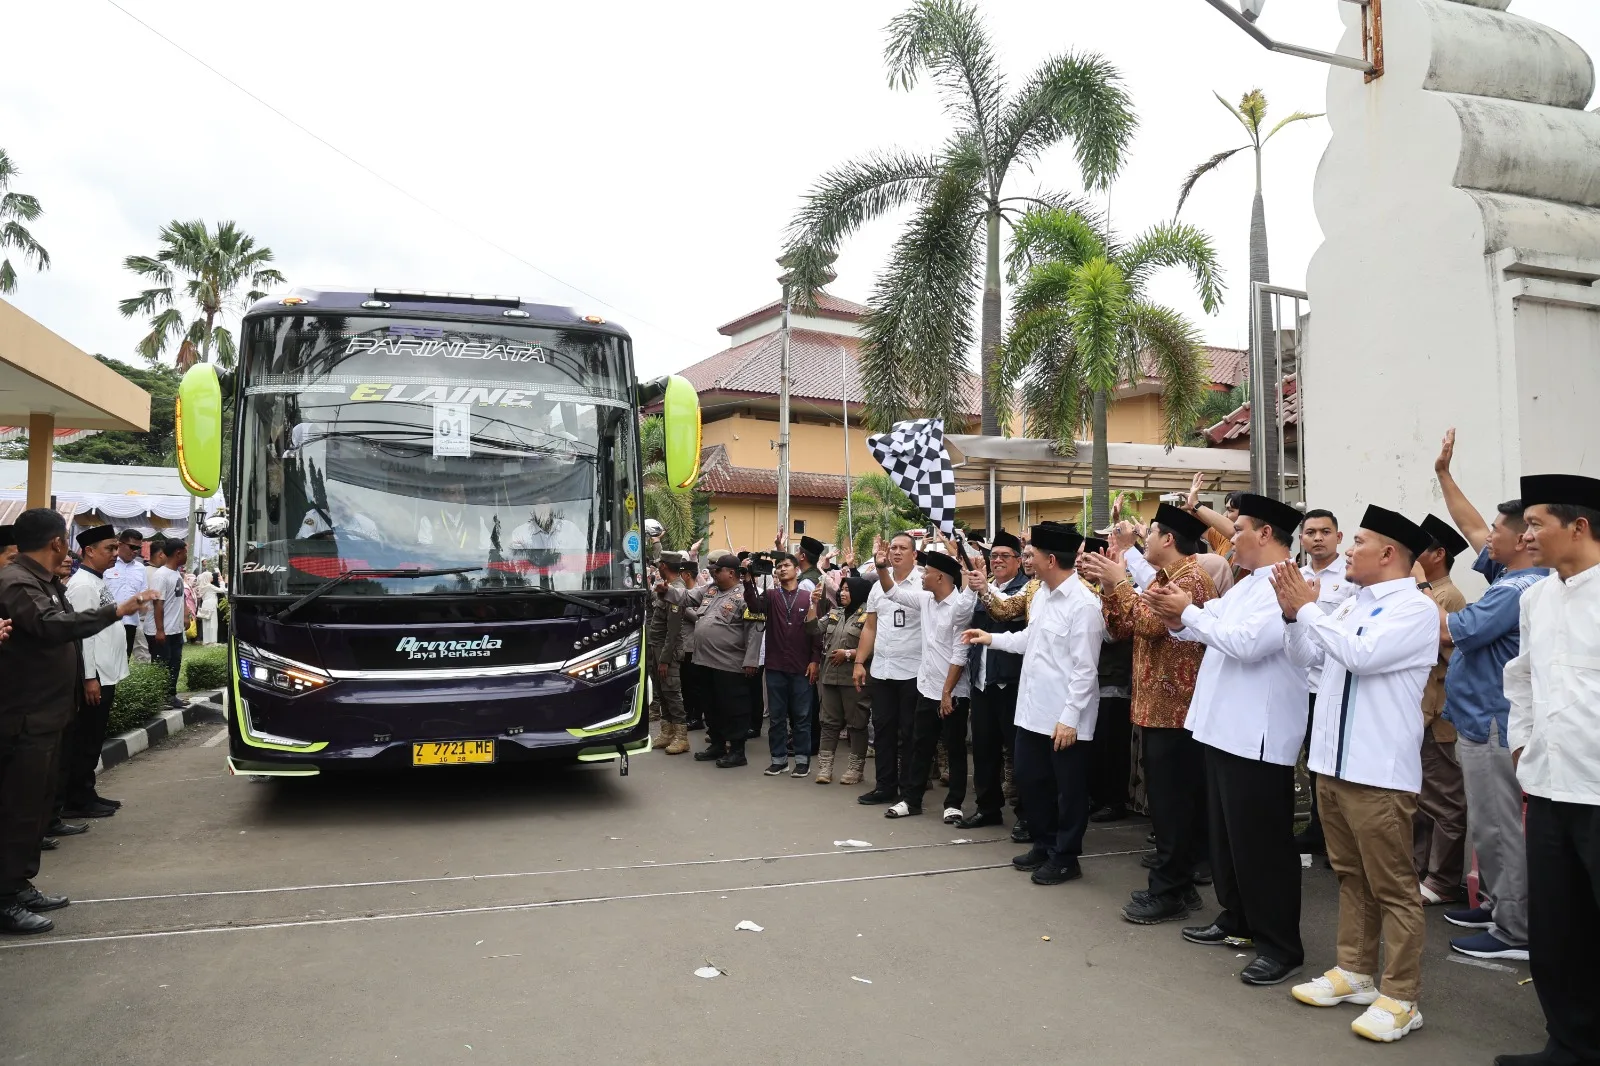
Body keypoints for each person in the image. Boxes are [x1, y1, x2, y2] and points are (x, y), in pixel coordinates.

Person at [1278, 506, 1439, 1043]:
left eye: (1360, 541)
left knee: (1393, 887)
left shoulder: (1414, 609)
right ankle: (1354, 972)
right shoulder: (1351, 603)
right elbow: (1310, 659)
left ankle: (1402, 996)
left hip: (1377, 772)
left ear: (1388, 553)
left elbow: (1362, 656)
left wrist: (1308, 611)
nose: (1348, 549)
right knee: (1350, 876)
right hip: (1332, 764)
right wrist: (1292, 617)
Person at [1144, 493, 1310, 987]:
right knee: (1228, 840)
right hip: (1222, 728)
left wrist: (1190, 614)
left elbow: (1247, 643)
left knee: (1262, 847)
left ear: (1266, 533)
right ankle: (1238, 919)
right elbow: (1210, 626)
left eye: (1238, 529)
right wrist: (1178, 617)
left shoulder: (1290, 585)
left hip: (1256, 734)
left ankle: (1279, 945)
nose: (1230, 537)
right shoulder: (1247, 584)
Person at [0, 508, 148, 935]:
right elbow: (53, 628)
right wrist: (114, 611)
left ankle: (19, 884)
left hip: (47, 714)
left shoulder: (42, 581)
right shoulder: (17, 582)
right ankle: (5, 897)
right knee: (18, 810)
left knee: (35, 807)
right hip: (26, 717)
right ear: (56, 542)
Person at [1497, 473, 1600, 1066]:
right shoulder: (1536, 598)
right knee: (1558, 931)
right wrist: (1521, 746)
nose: (1526, 535)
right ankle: (1570, 1045)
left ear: (1578, 526)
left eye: (1536, 524)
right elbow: (1522, 680)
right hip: (1548, 787)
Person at [1434, 428, 1546, 961]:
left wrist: (1408, 581)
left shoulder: (1517, 589)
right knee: (1488, 822)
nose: (1487, 536)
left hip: (1494, 723)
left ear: (1521, 539)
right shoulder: (1508, 573)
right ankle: (1500, 904)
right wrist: (1444, 475)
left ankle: (1514, 930)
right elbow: (1471, 524)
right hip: (1480, 720)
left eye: (1500, 529)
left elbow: (1448, 631)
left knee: (1499, 825)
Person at [1081, 503, 1217, 925]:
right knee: (1170, 802)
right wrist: (1111, 588)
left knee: (1173, 804)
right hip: (1158, 707)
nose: (1146, 539)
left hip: (1178, 710)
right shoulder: (1164, 577)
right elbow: (1122, 627)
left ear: (1169, 539)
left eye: (1152, 532)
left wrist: (1120, 581)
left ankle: (1169, 890)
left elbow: (1152, 624)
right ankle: (1180, 883)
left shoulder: (1191, 578)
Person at [960, 522, 1102, 885]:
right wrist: (991, 638)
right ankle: (1044, 843)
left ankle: (1066, 857)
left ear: (1050, 559)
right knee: (1031, 780)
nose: (1027, 559)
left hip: (1064, 718)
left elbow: (1085, 670)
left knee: (1067, 791)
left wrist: (1069, 718)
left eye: (1032, 554)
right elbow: (1029, 639)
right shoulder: (1040, 594)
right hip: (1032, 711)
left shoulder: (1084, 604)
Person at [870, 544, 975, 821]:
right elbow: (893, 593)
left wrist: (947, 693)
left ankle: (953, 804)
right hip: (927, 688)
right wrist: (881, 568)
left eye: (926, 572)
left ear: (940, 577)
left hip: (953, 693)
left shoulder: (960, 608)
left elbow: (959, 655)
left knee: (954, 749)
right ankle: (911, 800)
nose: (922, 575)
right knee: (920, 746)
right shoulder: (926, 599)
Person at [1290, 508, 1358, 855]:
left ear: (1338, 537)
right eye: (1311, 532)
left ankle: (1337, 837)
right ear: (1301, 539)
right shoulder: (1295, 576)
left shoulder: (1350, 578)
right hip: (1297, 683)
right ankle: (1317, 829)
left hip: (1329, 685)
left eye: (1325, 532)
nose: (1318, 538)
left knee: (1331, 762)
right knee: (1308, 759)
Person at [1413, 514, 1470, 905]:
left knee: (1444, 801)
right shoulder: (1427, 592)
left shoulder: (1445, 597)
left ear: (1438, 554)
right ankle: (1421, 870)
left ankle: (1443, 879)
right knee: (1420, 800)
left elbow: (1443, 650)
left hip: (1436, 715)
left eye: (1421, 547)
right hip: (1419, 713)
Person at [957, 530, 1029, 829]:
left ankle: (1027, 815)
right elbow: (962, 620)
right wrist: (974, 588)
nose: (998, 560)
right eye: (994, 556)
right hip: (982, 680)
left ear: (1018, 561)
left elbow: (1007, 614)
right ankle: (988, 808)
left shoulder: (1027, 590)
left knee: (1019, 753)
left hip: (1011, 682)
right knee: (984, 750)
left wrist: (985, 589)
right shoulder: (980, 586)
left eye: (1005, 556)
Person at [57, 525, 130, 821]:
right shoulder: (83, 586)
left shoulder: (96, 580)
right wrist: (89, 678)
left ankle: (87, 792)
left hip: (105, 672)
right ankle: (77, 799)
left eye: (116, 548)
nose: (115, 554)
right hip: (95, 675)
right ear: (89, 551)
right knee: (86, 739)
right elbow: (82, 635)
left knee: (93, 737)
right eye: (109, 548)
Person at [853, 532, 923, 806]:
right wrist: (859, 662)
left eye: (903, 548)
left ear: (914, 554)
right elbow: (870, 627)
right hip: (882, 669)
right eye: (893, 547)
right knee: (882, 729)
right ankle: (885, 786)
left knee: (910, 732)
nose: (896, 552)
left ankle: (909, 791)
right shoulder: (876, 588)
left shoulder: (924, 583)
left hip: (913, 670)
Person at [678, 553, 759, 768]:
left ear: (731, 573)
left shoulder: (746, 596)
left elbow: (754, 630)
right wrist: (665, 591)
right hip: (704, 660)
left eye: (717, 570)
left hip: (729, 663)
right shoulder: (711, 589)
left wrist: (751, 660)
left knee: (733, 707)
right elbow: (685, 597)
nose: (713, 573)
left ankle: (737, 751)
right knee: (711, 705)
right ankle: (717, 744)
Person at [744, 551, 819, 777]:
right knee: (776, 718)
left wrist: (815, 660)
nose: (782, 569)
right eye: (779, 567)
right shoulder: (770, 595)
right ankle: (778, 760)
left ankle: (802, 761)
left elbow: (816, 632)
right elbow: (754, 607)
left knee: (802, 717)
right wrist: (748, 580)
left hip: (801, 666)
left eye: (786, 565)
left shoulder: (808, 597)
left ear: (796, 569)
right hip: (775, 665)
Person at [805, 575, 873, 785]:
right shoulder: (835, 612)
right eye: (842, 589)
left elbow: (875, 647)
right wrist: (813, 604)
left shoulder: (870, 616)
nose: (842, 593)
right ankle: (825, 768)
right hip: (830, 677)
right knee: (828, 723)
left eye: (847, 590)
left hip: (854, 678)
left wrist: (849, 654)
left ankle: (855, 769)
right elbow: (812, 629)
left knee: (857, 724)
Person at [648, 553, 690, 754]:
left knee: (672, 693)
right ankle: (667, 732)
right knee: (662, 691)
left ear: (664, 566)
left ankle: (681, 737)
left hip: (667, 651)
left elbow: (673, 631)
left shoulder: (677, 591)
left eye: (659, 566)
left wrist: (664, 659)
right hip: (657, 648)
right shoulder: (668, 587)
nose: (657, 568)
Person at [144, 539, 189, 708]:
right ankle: (159, 699)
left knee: (174, 664)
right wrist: (160, 630)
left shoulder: (176, 573)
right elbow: (158, 604)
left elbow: (180, 597)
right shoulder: (161, 575)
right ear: (178, 553)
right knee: (161, 666)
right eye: (185, 552)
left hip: (175, 629)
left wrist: (185, 616)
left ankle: (170, 696)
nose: (186, 556)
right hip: (161, 631)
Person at [106, 529, 146, 658]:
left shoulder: (140, 568)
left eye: (138, 548)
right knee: (106, 659)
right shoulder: (108, 563)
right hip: (108, 621)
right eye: (132, 547)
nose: (135, 551)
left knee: (124, 660)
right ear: (120, 544)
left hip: (130, 622)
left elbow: (143, 592)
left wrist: (141, 602)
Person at [195, 571, 220, 646]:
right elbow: (222, 590)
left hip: (205, 604)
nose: (212, 577)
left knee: (206, 623)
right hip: (211, 604)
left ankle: (206, 640)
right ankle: (213, 641)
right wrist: (222, 582)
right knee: (213, 622)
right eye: (211, 576)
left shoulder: (202, 586)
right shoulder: (209, 586)